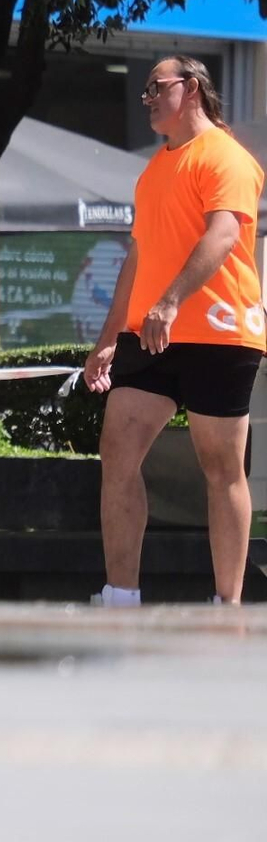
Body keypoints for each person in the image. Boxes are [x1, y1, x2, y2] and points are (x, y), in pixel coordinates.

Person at [83, 55, 264, 606]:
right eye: (144, 91)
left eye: (157, 87)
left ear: (191, 88)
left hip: (219, 333)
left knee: (221, 470)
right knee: (117, 453)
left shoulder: (226, 157)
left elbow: (224, 235)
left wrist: (170, 302)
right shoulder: (153, 170)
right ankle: (120, 597)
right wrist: (111, 335)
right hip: (151, 336)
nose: (148, 99)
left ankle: (226, 607)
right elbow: (137, 257)